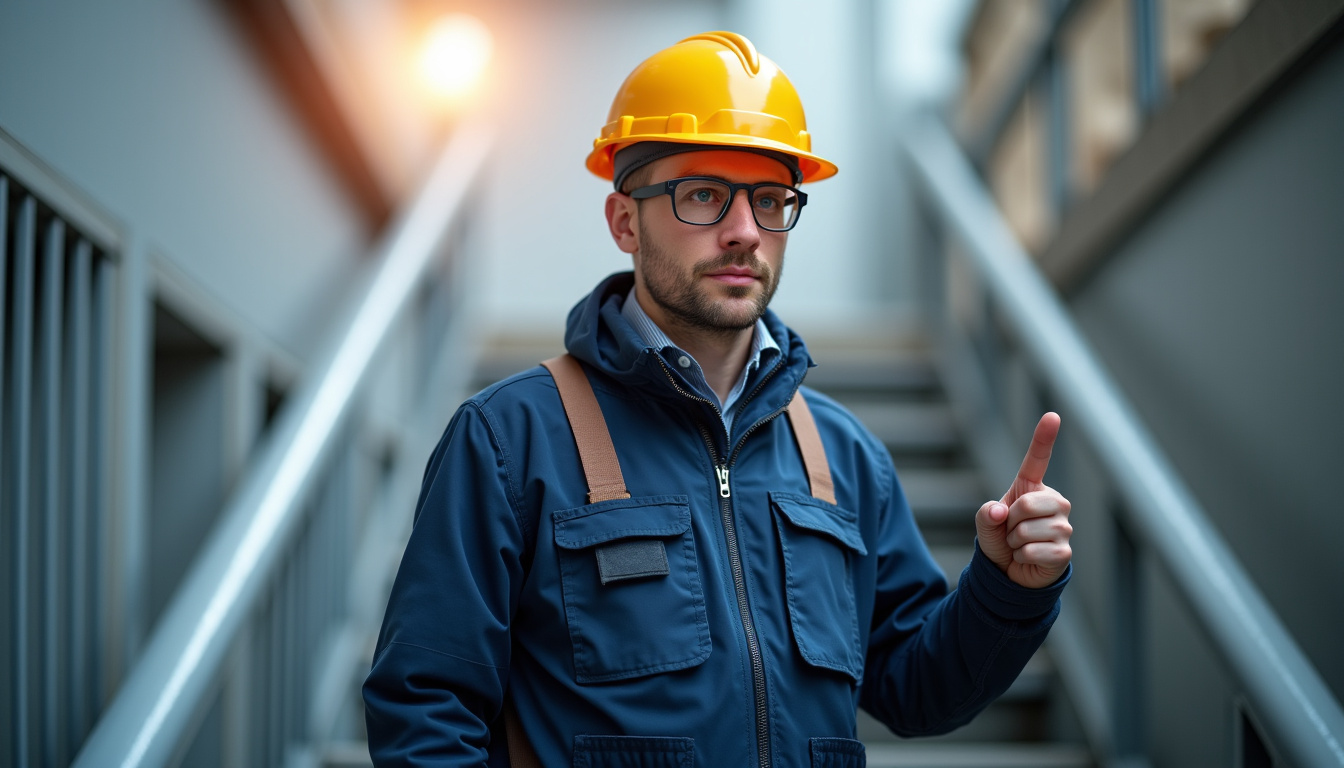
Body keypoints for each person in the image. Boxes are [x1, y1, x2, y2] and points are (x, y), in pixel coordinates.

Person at [363, 31, 1073, 767]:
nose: (744, 233)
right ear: (624, 222)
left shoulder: (845, 455)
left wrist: (1008, 587)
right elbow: (425, 709)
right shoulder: (510, 438)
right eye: (703, 195)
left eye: (771, 200)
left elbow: (920, 692)